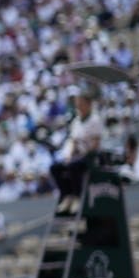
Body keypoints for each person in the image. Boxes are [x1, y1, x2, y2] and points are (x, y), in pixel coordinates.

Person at [49, 87, 103, 215]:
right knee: (55, 167)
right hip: (77, 155)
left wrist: (82, 154)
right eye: (77, 103)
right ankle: (67, 195)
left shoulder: (95, 120)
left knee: (74, 166)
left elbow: (95, 144)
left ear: (88, 104)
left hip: (91, 157)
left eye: (81, 103)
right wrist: (69, 156)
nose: (78, 106)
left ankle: (77, 197)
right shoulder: (77, 120)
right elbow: (73, 141)